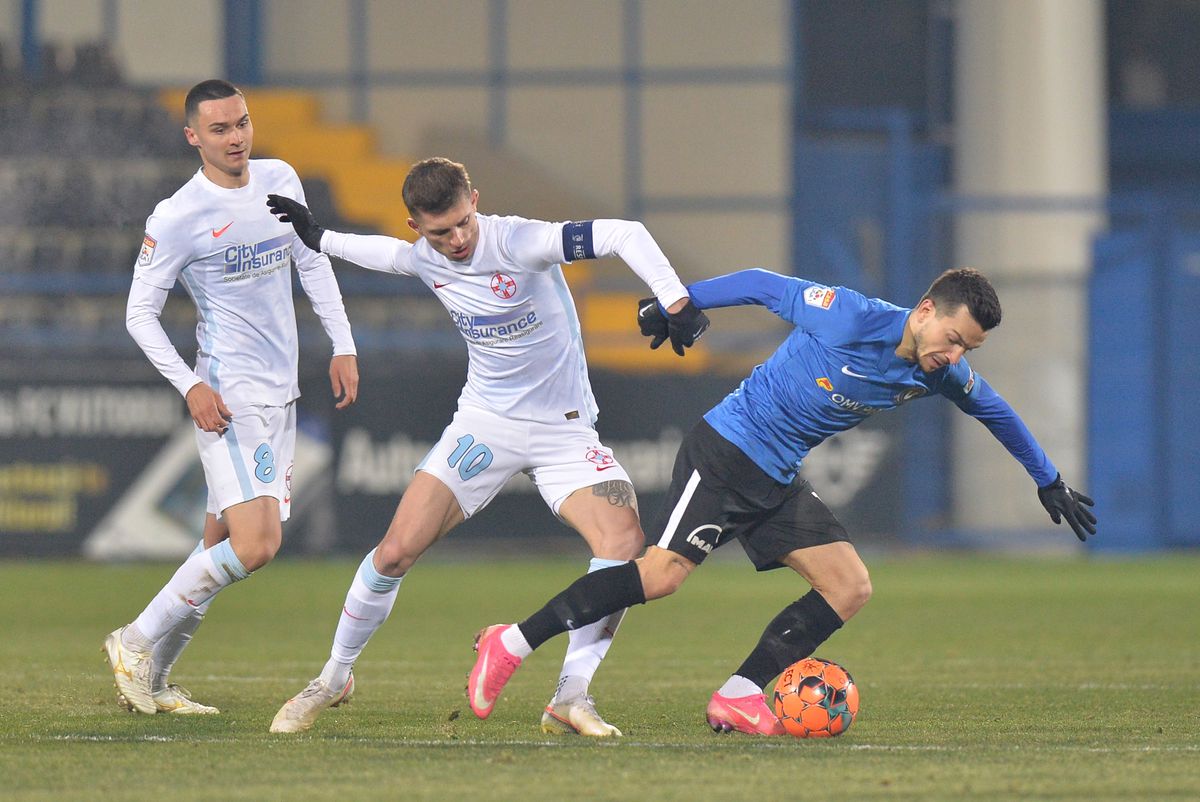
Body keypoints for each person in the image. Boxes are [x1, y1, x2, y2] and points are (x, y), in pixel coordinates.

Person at [467, 266, 1097, 735]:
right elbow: (763, 284)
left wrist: (1047, 477)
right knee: (659, 576)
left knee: (849, 585)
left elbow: (996, 410)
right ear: (926, 308)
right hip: (726, 451)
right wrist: (676, 303)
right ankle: (513, 642)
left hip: (775, 478)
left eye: (967, 349)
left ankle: (739, 693)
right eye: (953, 338)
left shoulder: (940, 372)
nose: (954, 355)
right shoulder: (850, 316)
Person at [264, 157, 709, 736]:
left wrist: (674, 300)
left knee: (622, 543)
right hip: (485, 423)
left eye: (461, 224)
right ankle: (333, 677)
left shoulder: (523, 241)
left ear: (475, 198)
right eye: (438, 232)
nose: (454, 241)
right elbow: (384, 255)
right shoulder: (424, 256)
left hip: (563, 429)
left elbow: (625, 233)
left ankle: (571, 697)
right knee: (395, 551)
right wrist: (319, 237)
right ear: (415, 226)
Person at [103, 79, 359, 716]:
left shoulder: (280, 179)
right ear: (193, 136)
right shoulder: (177, 215)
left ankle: (156, 682)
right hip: (231, 392)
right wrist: (190, 384)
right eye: (219, 129)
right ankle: (132, 641)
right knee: (256, 545)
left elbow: (313, 262)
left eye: (241, 123)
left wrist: (343, 342)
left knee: (216, 543)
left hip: (284, 390)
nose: (236, 137)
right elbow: (140, 314)